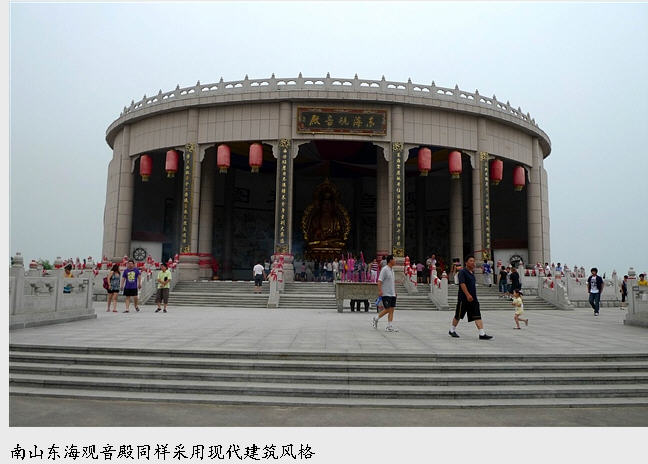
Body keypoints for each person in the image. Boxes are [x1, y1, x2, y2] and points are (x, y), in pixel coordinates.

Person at [448, 255, 493, 340]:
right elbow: (462, 284)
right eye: (471, 261)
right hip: (464, 298)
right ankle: (452, 330)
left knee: (477, 315)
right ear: (466, 262)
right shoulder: (462, 272)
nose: (473, 263)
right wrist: (467, 295)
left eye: (473, 261)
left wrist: (472, 296)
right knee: (458, 315)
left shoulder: (472, 273)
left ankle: (482, 333)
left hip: (473, 298)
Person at [372, 255, 398, 332]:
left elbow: (392, 282)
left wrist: (395, 291)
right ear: (390, 260)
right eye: (394, 259)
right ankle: (376, 318)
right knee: (387, 309)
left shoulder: (392, 270)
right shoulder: (385, 269)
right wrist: (380, 290)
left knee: (392, 309)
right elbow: (380, 281)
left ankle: (389, 326)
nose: (395, 261)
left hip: (392, 293)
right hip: (386, 293)